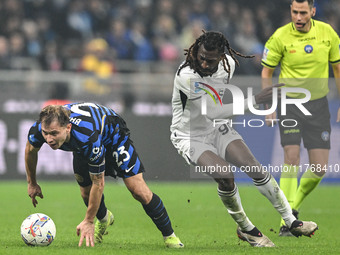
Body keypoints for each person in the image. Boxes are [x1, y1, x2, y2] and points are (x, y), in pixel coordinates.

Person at [170, 30, 318, 247]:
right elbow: (211, 111)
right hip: (189, 135)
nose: (203, 64)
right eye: (201, 57)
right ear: (196, 51)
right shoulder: (187, 75)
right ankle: (247, 229)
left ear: (221, 57)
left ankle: (291, 220)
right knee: (225, 175)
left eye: (210, 60)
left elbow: (217, 107)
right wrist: (255, 101)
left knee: (254, 168)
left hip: (217, 127)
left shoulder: (227, 64)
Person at [25, 103, 184, 248]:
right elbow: (30, 151)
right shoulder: (40, 128)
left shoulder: (87, 138)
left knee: (138, 190)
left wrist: (88, 220)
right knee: (85, 193)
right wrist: (32, 183)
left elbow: (98, 182)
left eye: (54, 133)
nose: (49, 139)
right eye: (46, 134)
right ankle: (104, 218)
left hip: (114, 138)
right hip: (83, 146)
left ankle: (170, 236)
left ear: (68, 128)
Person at [261, 0, 340, 236]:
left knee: (319, 167)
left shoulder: (327, 33)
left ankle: (292, 207)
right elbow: (267, 71)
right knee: (292, 158)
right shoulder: (280, 36)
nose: (298, 16)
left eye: (303, 12)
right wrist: (269, 105)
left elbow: (338, 69)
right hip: (290, 105)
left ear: (313, 12)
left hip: (318, 106)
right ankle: (288, 219)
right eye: (294, 12)